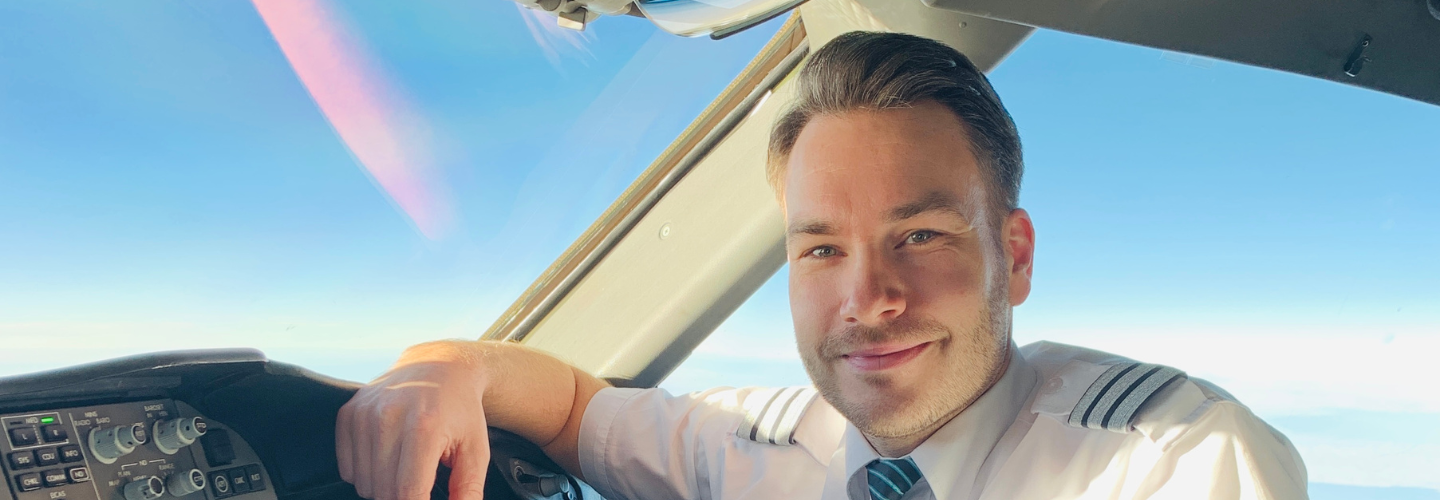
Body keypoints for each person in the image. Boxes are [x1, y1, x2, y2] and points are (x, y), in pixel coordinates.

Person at [335, 31, 1308, 500]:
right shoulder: (765, 441)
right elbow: (578, 407)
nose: (868, 297)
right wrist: (444, 368)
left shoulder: (1169, 458)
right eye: (821, 248)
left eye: (918, 235)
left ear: (1013, 255)